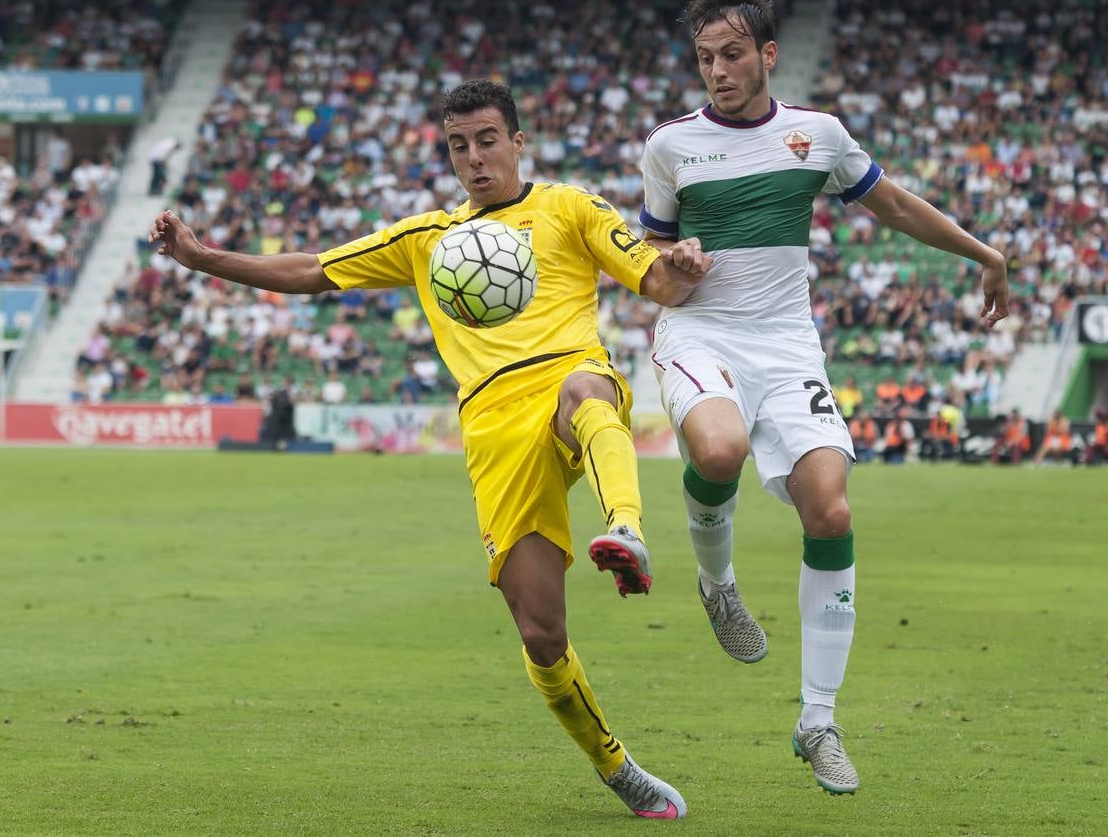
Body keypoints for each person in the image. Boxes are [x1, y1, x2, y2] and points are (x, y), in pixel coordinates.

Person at [149, 79, 708, 819]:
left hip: (564, 384)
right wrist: (203, 258)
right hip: (493, 433)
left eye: (486, 140)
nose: (474, 158)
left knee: (588, 392)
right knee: (542, 634)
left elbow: (654, 279)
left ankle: (626, 528)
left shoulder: (570, 207)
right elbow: (315, 270)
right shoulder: (425, 240)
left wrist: (682, 268)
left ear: (518, 142)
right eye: (458, 145)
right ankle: (616, 768)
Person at [639, 0, 1009, 795]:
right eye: (704, 58)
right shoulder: (670, 147)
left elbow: (898, 208)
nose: (717, 71)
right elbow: (651, 279)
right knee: (721, 447)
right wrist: (675, 268)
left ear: (767, 54)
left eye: (732, 54)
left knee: (831, 509)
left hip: (787, 347)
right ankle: (717, 583)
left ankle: (817, 722)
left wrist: (983, 253)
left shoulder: (818, 134)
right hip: (701, 332)